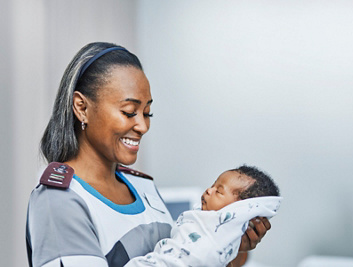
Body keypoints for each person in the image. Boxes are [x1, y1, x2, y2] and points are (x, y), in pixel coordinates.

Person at [25, 42, 271, 267]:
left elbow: (182, 258)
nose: (142, 126)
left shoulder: (143, 186)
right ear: (82, 108)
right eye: (130, 112)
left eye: (147, 113)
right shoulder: (59, 201)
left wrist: (230, 251)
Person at [148, 165, 282, 267]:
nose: (208, 190)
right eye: (212, 186)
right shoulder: (198, 218)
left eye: (218, 191)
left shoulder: (217, 240)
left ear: (238, 210)